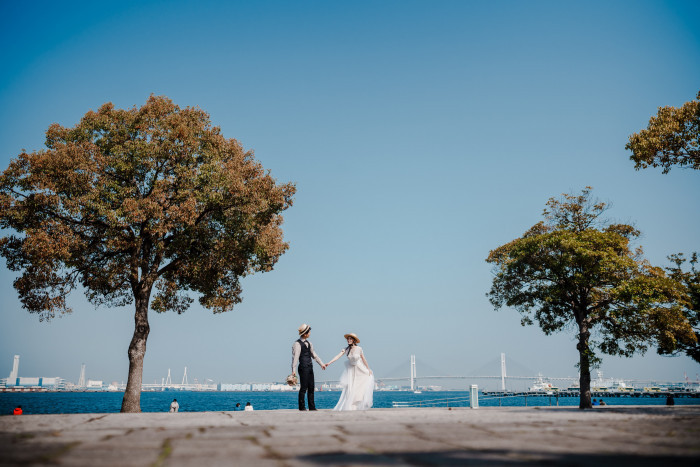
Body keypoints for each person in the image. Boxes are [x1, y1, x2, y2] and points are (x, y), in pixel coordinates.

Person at [326, 333, 374, 411]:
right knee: (350, 389)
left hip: (359, 370)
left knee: (359, 387)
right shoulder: (346, 349)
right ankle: (351, 407)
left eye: (350, 339)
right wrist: (329, 363)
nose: (348, 340)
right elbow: (337, 356)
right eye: (348, 339)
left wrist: (368, 369)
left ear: (354, 340)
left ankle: (356, 404)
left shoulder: (359, 348)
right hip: (351, 371)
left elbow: (364, 359)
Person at [292, 323, 326, 411]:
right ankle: (302, 407)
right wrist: (293, 370)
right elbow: (295, 358)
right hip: (303, 367)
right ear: (305, 333)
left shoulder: (309, 343)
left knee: (311, 387)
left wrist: (321, 364)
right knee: (303, 388)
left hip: (310, 367)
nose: (310, 333)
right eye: (309, 331)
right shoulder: (297, 344)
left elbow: (314, 355)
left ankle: (312, 407)